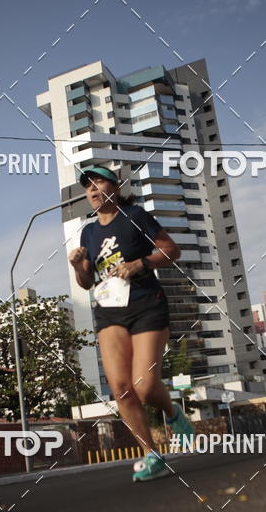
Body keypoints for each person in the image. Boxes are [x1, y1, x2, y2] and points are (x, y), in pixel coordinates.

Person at [68, 166, 193, 482]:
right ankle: (152, 455)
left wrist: (141, 262)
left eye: (99, 183)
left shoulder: (135, 215)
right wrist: (76, 266)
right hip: (110, 311)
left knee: (145, 385)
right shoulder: (88, 232)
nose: (93, 190)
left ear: (115, 187)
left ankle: (173, 414)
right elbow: (85, 282)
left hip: (146, 304)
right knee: (121, 390)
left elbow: (171, 250)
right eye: (88, 187)